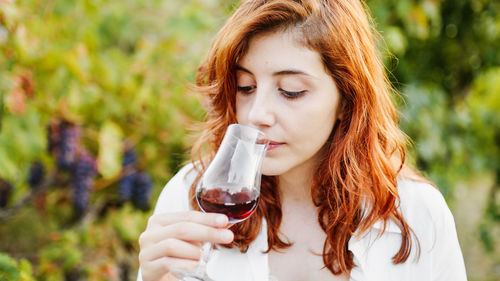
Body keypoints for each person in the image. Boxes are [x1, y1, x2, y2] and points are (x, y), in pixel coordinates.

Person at [137, 0, 467, 280]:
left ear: (346, 100)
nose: (257, 114)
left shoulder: (416, 215)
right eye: (245, 87)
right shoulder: (189, 197)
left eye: (291, 91)